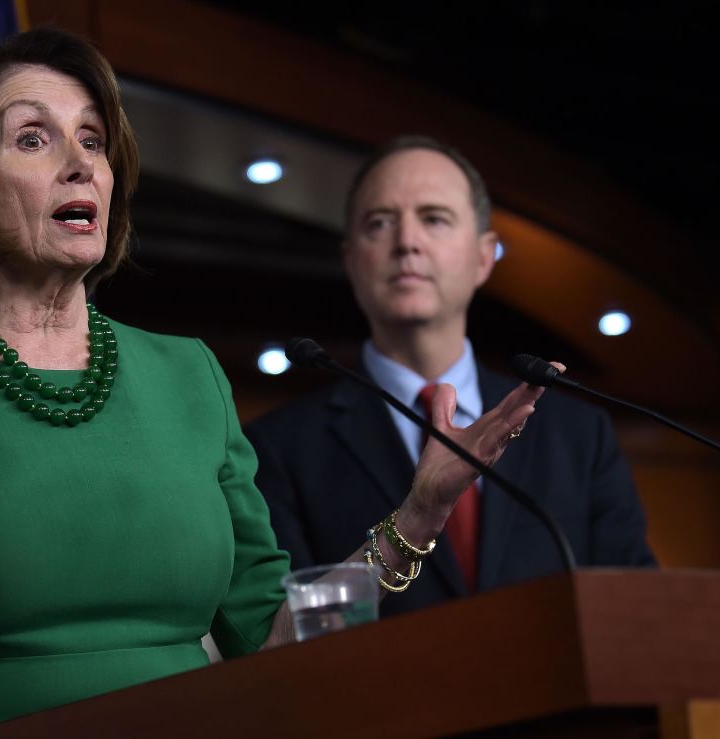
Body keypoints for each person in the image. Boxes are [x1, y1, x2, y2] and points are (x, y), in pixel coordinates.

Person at [0, 32, 549, 737]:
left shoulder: (188, 375)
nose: (80, 163)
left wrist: (418, 514)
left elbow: (275, 635)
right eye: (34, 138)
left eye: (93, 139)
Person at [245, 136, 657, 619]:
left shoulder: (579, 435)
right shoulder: (277, 448)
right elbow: (285, 637)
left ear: (485, 257)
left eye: (434, 218)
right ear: (351, 259)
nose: (407, 242)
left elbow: (638, 619)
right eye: (379, 223)